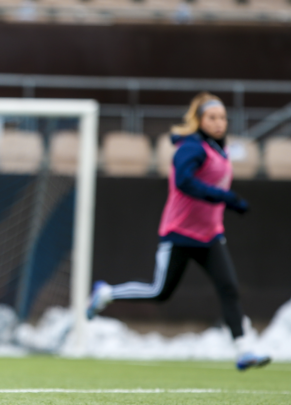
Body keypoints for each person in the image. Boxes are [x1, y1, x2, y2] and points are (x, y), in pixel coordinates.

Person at [86, 92, 271, 371]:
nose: (219, 123)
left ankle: (243, 351)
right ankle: (107, 293)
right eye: (212, 117)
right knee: (159, 292)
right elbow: (184, 182)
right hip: (180, 233)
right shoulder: (191, 147)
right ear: (199, 120)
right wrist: (225, 197)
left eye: (222, 117)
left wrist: (227, 201)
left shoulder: (221, 148)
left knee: (229, 288)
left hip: (210, 235)